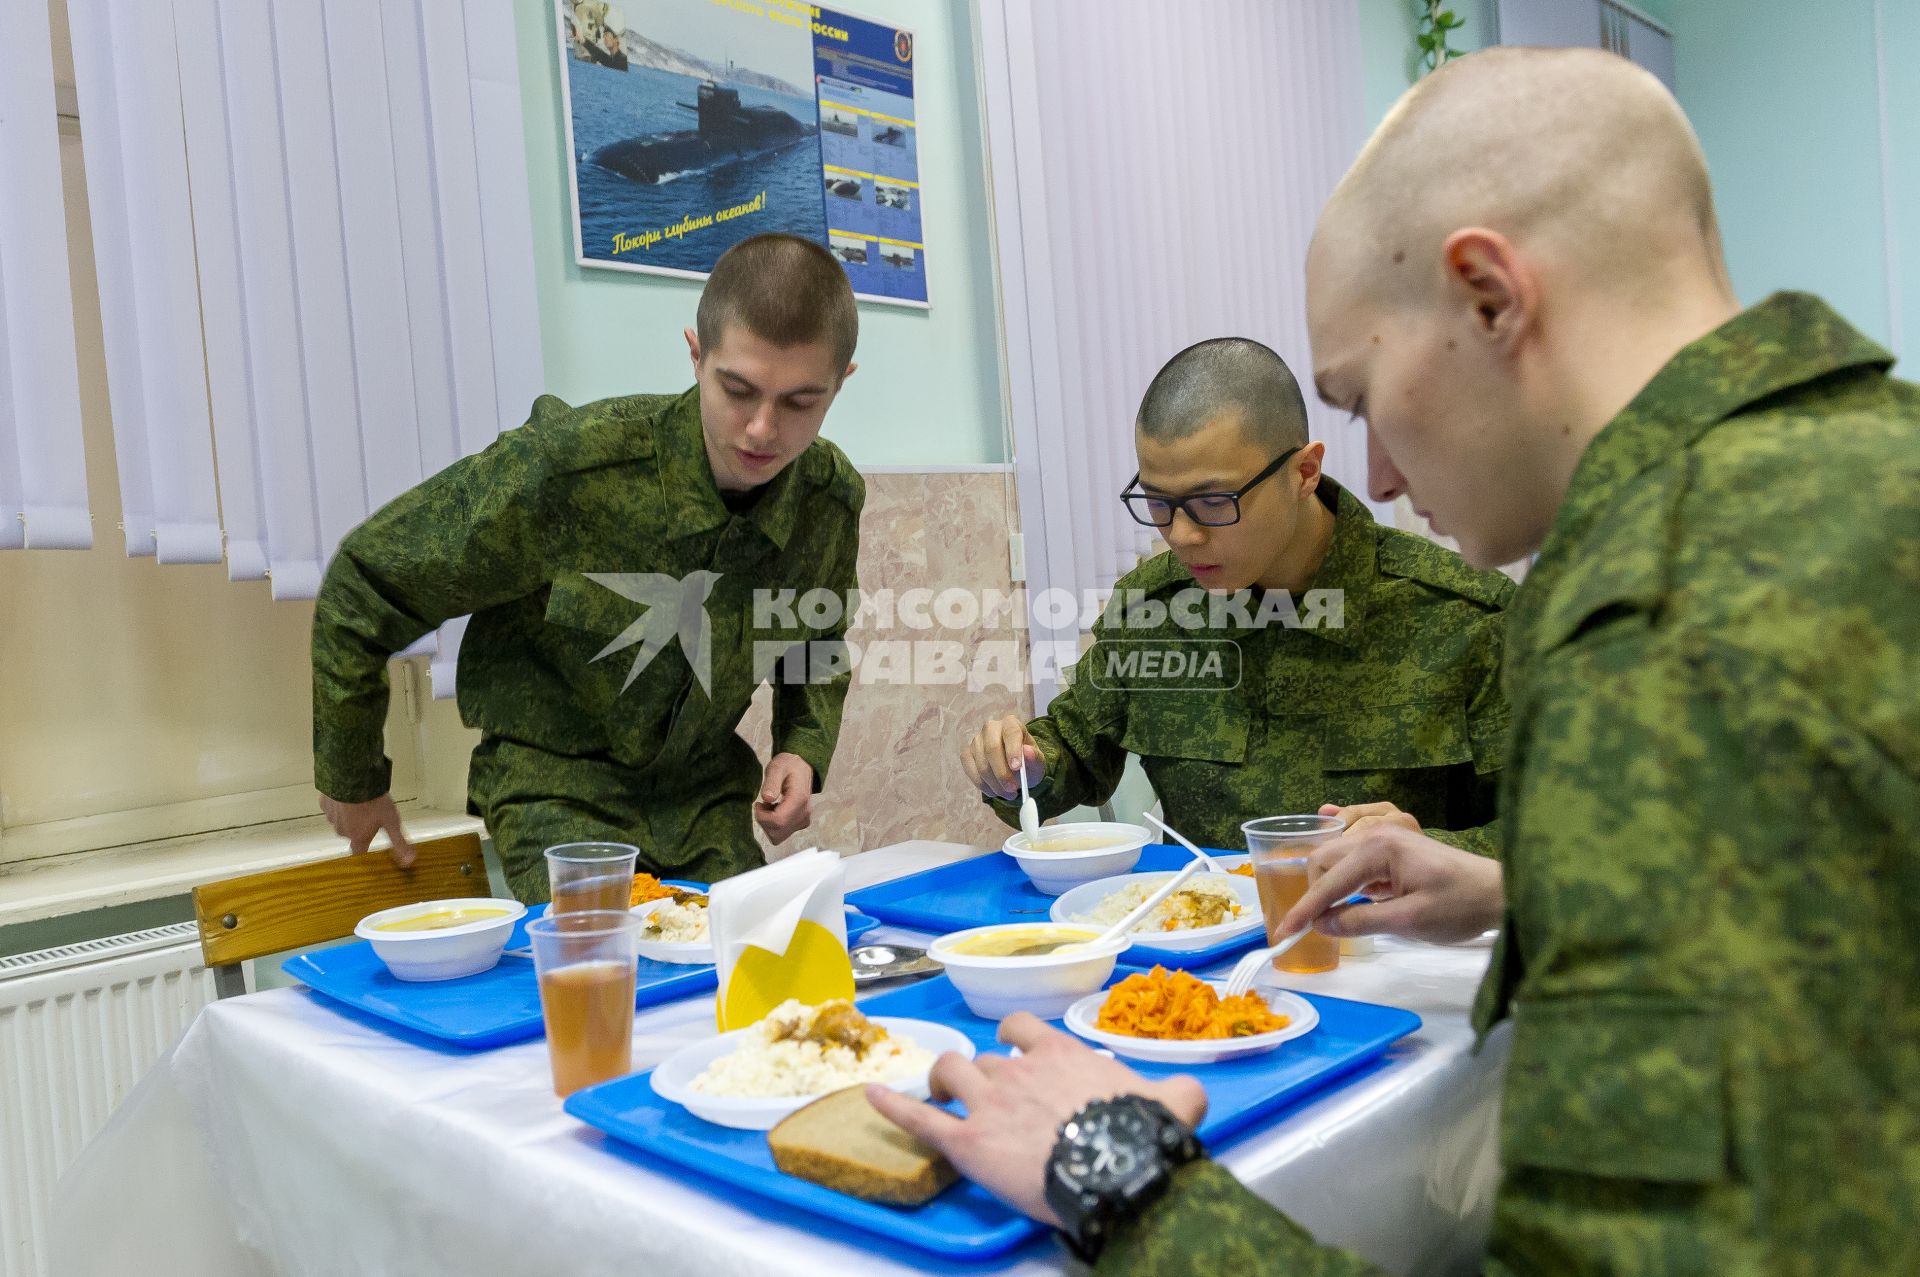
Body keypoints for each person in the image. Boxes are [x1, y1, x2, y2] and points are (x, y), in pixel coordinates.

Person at [876, 47, 1920, 1275]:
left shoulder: (1665, 617)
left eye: (1363, 396)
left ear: (1489, 294)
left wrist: (1119, 1174)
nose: (1379, 472)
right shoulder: (1861, 481)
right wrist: (1512, 882)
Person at [312, 234, 865, 902]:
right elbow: (368, 578)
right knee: (605, 981)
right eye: (738, 390)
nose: (760, 429)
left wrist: (801, 746)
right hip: (556, 796)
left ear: (841, 383)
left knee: (752, 974)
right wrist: (354, 773)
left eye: (799, 402)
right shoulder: (572, 469)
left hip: (704, 804)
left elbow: (815, 634)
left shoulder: (827, 501)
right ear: (696, 356)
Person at [961, 338, 1513, 856]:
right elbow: (1074, 751)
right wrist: (1020, 766)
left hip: (1392, 940)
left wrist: (1429, 850)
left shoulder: (1465, 617)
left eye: (1212, 502)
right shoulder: (1153, 610)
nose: (1180, 535)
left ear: (1304, 471)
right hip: (1194, 940)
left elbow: (1563, 841)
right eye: (1157, 502)